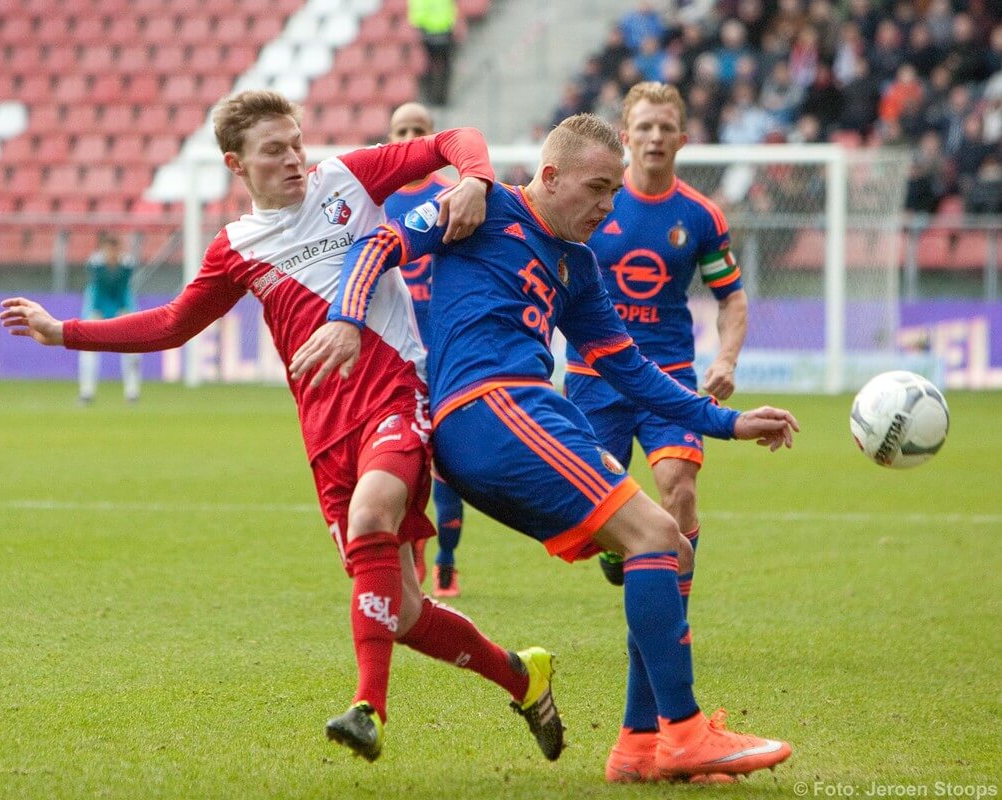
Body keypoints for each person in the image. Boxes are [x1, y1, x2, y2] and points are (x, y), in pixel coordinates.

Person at [0, 89, 563, 765]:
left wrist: (475, 180)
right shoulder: (237, 246)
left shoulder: (347, 179)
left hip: (395, 396)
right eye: (275, 151)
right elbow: (175, 322)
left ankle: (367, 708)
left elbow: (456, 137)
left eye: (297, 142)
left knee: (373, 513)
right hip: (325, 432)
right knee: (405, 613)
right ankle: (523, 677)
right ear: (238, 164)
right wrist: (65, 333)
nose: (295, 159)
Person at [292, 113, 797, 783]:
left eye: (615, 192)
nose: (608, 206)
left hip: (521, 414)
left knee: (665, 545)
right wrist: (349, 320)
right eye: (596, 188)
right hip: (490, 409)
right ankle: (682, 732)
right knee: (656, 535)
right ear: (550, 176)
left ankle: (640, 746)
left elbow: (633, 370)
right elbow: (378, 245)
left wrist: (726, 422)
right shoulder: (485, 206)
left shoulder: (579, 267)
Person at [567, 81, 748, 597]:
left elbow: (731, 296)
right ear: (625, 136)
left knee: (679, 488)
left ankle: (672, 617)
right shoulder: (595, 202)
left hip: (667, 375)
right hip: (593, 374)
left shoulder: (700, 216)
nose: (654, 136)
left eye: (666, 127)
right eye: (644, 126)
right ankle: (615, 543)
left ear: (683, 139)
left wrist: (727, 361)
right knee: (596, 502)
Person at [385, 102, 466, 597]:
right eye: (402, 130)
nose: (411, 135)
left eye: (419, 130)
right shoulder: (377, 200)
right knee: (403, 454)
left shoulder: (454, 195)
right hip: (394, 350)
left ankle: (447, 558)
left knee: (448, 461)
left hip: (447, 351)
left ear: (431, 137)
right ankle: (411, 546)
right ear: (390, 138)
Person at [78, 232, 140, 405]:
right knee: (88, 347)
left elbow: (123, 288)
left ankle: (132, 392)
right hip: (99, 304)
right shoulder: (95, 264)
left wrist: (125, 309)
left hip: (120, 303)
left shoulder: (126, 264)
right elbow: (97, 288)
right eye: (109, 249)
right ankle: (86, 392)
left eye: (115, 249)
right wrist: (96, 310)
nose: (112, 253)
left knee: (133, 347)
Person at [408, 0, 457, 106]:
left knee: (433, 66)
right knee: (442, 66)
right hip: (443, 31)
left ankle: (434, 97)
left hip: (431, 33)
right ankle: (439, 97)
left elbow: (416, 15)